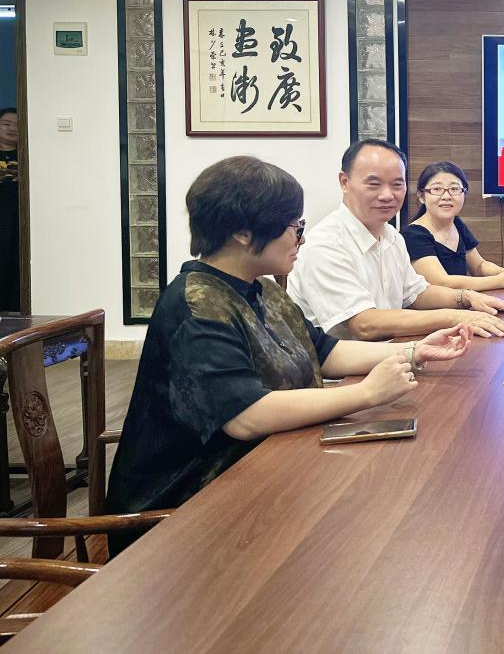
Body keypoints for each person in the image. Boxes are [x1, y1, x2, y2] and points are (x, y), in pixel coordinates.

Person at [106, 156, 472, 554]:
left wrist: (415, 351)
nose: (301, 238)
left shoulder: (261, 288)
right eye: (293, 227)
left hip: (263, 470)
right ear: (243, 233)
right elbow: (246, 417)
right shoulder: (195, 303)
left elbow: (323, 351)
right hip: (185, 510)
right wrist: (367, 393)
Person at [287, 140, 504, 341]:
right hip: (342, 375)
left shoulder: (391, 236)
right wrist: (455, 317)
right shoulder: (326, 243)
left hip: (393, 353)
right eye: (374, 184)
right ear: (344, 182)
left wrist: (467, 298)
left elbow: (416, 294)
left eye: (397, 184)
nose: (387, 195)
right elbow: (364, 324)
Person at [402, 161, 504, 290]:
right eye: (437, 189)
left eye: (454, 189)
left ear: (464, 193)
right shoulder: (413, 235)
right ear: (421, 196)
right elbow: (441, 282)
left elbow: (479, 266)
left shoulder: (456, 224)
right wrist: (500, 281)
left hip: (463, 302)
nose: (446, 196)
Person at [0, 108, 20, 312]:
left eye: (17, 124)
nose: (12, 128)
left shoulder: (26, 155)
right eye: (6, 124)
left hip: (18, 220)